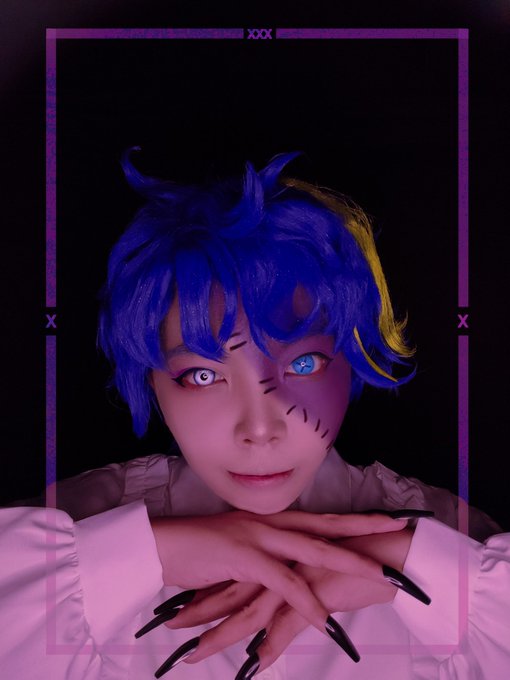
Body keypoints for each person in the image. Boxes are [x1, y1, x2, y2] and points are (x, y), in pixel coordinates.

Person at [1, 150, 508, 680]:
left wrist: (407, 562)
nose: (260, 430)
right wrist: (147, 553)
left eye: (303, 364)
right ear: (151, 379)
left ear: (353, 359)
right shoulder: (62, 532)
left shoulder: (457, 540)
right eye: (202, 376)